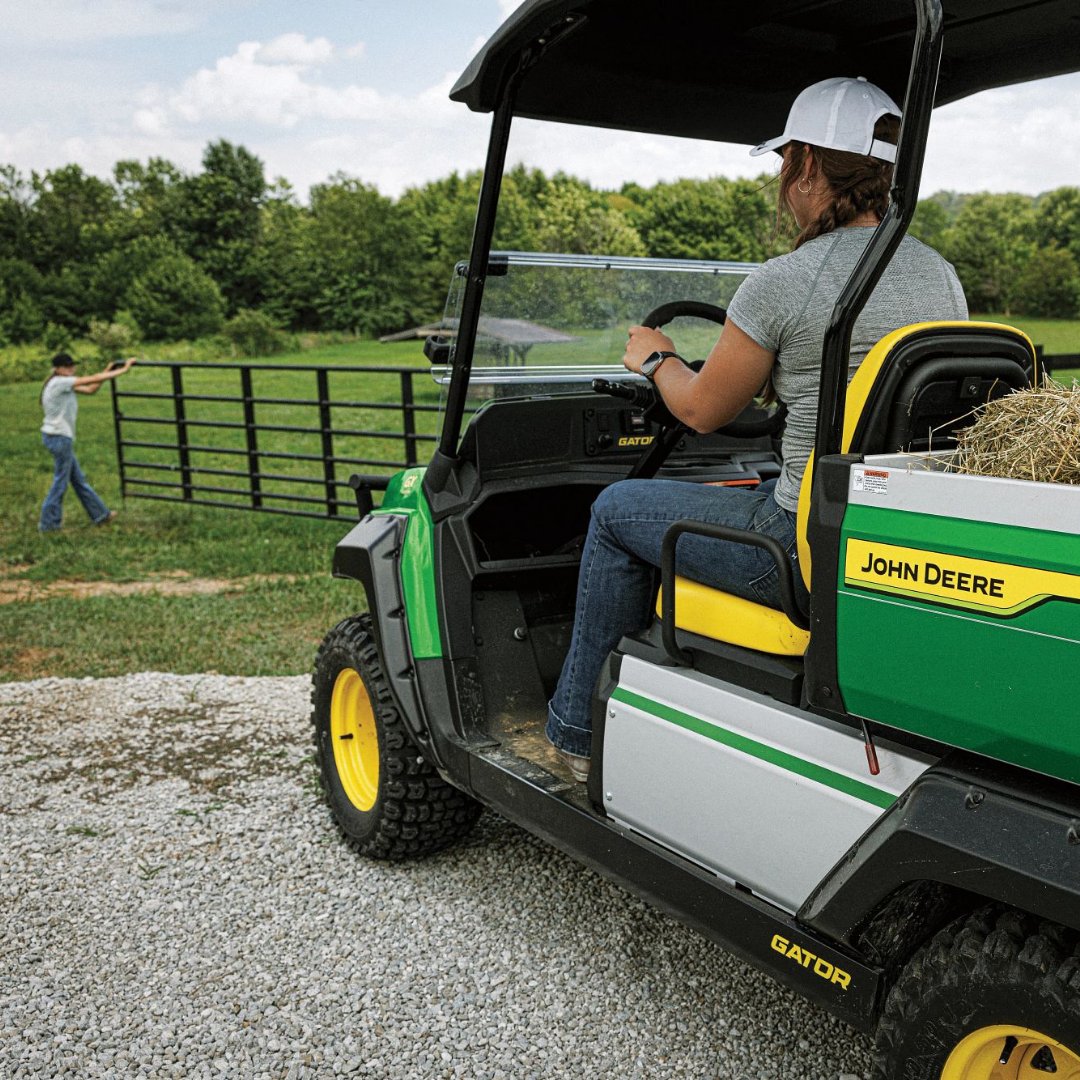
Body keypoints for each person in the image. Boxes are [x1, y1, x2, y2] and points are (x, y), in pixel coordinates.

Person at [545, 76, 969, 780]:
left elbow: (700, 410)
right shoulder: (940, 276)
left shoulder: (784, 281)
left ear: (806, 165)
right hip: (894, 532)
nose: (782, 180)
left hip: (801, 547)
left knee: (616, 510)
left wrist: (656, 359)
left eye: (785, 162)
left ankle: (574, 737)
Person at [38, 352, 137, 532]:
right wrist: (124, 369)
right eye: (67, 366)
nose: (71, 368)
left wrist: (107, 370)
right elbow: (94, 378)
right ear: (57, 369)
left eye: (72, 365)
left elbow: (91, 389)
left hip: (57, 437)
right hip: (59, 438)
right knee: (60, 483)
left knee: (77, 480)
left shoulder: (62, 383)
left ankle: (101, 515)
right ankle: (48, 524)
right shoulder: (60, 382)